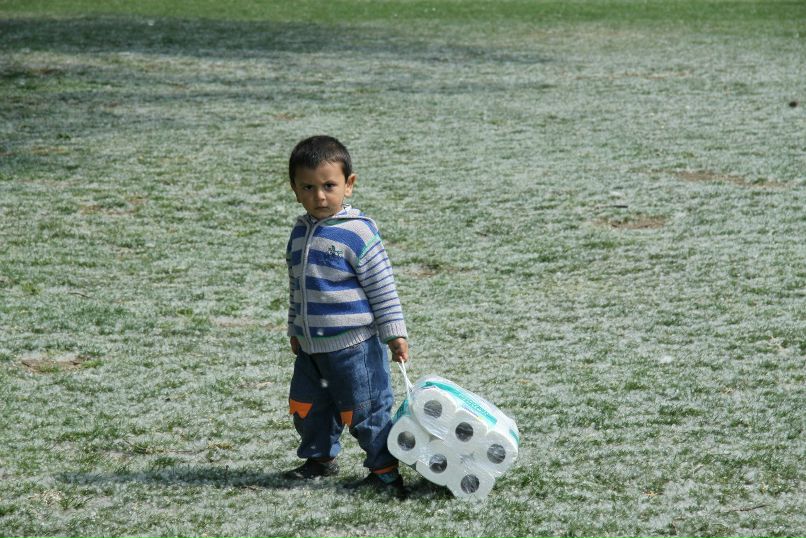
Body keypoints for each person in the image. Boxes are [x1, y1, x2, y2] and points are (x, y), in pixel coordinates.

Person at [283, 135, 410, 498]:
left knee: (366, 409)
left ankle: (384, 471)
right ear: (294, 189)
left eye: (329, 186)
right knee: (309, 407)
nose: (319, 196)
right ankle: (319, 459)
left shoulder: (358, 232)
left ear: (349, 185)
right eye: (308, 187)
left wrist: (394, 333)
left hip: (353, 347)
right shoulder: (299, 233)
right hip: (311, 348)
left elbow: (382, 287)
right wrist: (295, 327)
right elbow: (298, 287)